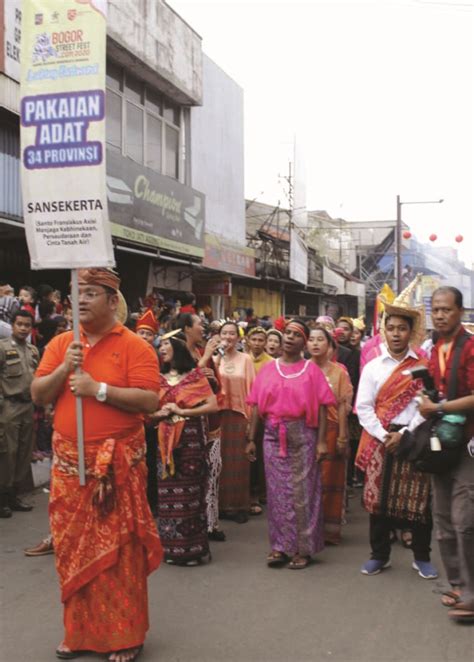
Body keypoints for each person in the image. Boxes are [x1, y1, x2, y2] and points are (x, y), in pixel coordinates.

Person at [31, 268, 163, 662]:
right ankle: (78, 633)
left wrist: (97, 389)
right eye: (78, 293)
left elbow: (149, 402)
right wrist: (63, 369)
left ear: (111, 300)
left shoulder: (136, 347)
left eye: (91, 293)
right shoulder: (61, 344)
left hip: (117, 465)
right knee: (72, 551)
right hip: (70, 467)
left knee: (120, 554)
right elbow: (38, 395)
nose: (82, 300)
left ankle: (125, 636)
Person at [355, 299, 437, 579]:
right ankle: (379, 555)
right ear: (383, 332)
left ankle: (422, 557)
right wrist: (383, 434)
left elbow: (426, 405)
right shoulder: (373, 367)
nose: (396, 334)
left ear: (410, 332)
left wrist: (403, 433)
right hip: (380, 437)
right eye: (391, 328)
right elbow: (363, 408)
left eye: (402, 328)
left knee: (419, 502)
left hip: (414, 435)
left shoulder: (424, 367)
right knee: (378, 500)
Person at [246, 319, 336, 569]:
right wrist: (251, 439)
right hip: (272, 436)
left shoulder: (311, 370)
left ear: (304, 342)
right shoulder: (267, 369)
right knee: (277, 494)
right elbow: (255, 405)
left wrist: (321, 443)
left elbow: (322, 407)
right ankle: (280, 547)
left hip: (304, 435)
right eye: (287, 333)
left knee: (303, 493)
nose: (289, 338)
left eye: (296, 335)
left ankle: (304, 549)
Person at [418, 286, 474, 622]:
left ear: (460, 312)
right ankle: (458, 584)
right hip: (442, 442)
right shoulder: (435, 348)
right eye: (435, 309)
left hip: (468, 443)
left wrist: (438, 406)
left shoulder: (470, 348)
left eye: (446, 310)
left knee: (465, 520)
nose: (440, 315)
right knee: (441, 520)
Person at [155, 330, 218, 566]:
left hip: (190, 440)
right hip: (165, 441)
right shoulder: (157, 379)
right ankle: (171, 548)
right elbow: (149, 410)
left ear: (177, 348)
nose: (161, 349)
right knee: (167, 493)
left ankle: (194, 549)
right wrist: (158, 414)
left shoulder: (194, 377)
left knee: (191, 493)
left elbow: (212, 405)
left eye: (165, 345)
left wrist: (183, 412)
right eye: (159, 346)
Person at [177, 312, 226, 541]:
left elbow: (210, 384)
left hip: (208, 421)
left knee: (213, 472)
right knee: (192, 478)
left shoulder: (197, 351)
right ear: (187, 328)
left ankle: (211, 522)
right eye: (198, 324)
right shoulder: (177, 351)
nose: (202, 328)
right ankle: (196, 525)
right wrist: (206, 357)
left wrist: (212, 379)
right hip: (185, 426)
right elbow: (181, 386)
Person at [308, 327, 353, 544]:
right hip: (307, 430)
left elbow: (344, 405)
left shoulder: (339, 372)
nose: (315, 344)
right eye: (311, 340)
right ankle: (308, 529)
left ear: (329, 345)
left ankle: (328, 531)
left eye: (320, 340)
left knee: (329, 481)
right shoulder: (302, 369)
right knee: (307, 482)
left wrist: (343, 436)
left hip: (334, 429)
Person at [0, 310, 39, 517]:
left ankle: (14, 494)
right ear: (12, 325)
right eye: (20, 324)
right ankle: (2, 497)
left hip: (27, 406)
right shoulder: (2, 348)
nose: (23, 328)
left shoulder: (33, 350)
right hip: (8, 406)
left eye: (27, 325)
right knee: (8, 453)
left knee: (24, 453)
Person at [216, 321, 256, 524]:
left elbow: (251, 389)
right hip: (218, 415)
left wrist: (250, 420)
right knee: (219, 462)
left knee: (239, 462)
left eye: (232, 334)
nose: (228, 337)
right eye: (225, 333)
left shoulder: (246, 359)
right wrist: (216, 358)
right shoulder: (215, 359)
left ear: (238, 338)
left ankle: (239, 505)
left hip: (239, 415)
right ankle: (220, 506)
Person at [135, 308, 160, 516]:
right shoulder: (129, 351)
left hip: (149, 415)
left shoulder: (156, 355)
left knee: (149, 461)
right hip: (134, 413)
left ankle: (150, 502)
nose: (144, 337)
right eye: (141, 332)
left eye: (148, 334)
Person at [247, 326, 274, 513]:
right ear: (248, 341)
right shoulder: (242, 359)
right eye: (254, 339)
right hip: (244, 410)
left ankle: (263, 491)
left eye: (260, 340)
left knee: (262, 456)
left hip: (264, 413)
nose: (257, 343)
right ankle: (250, 493)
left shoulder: (271, 363)